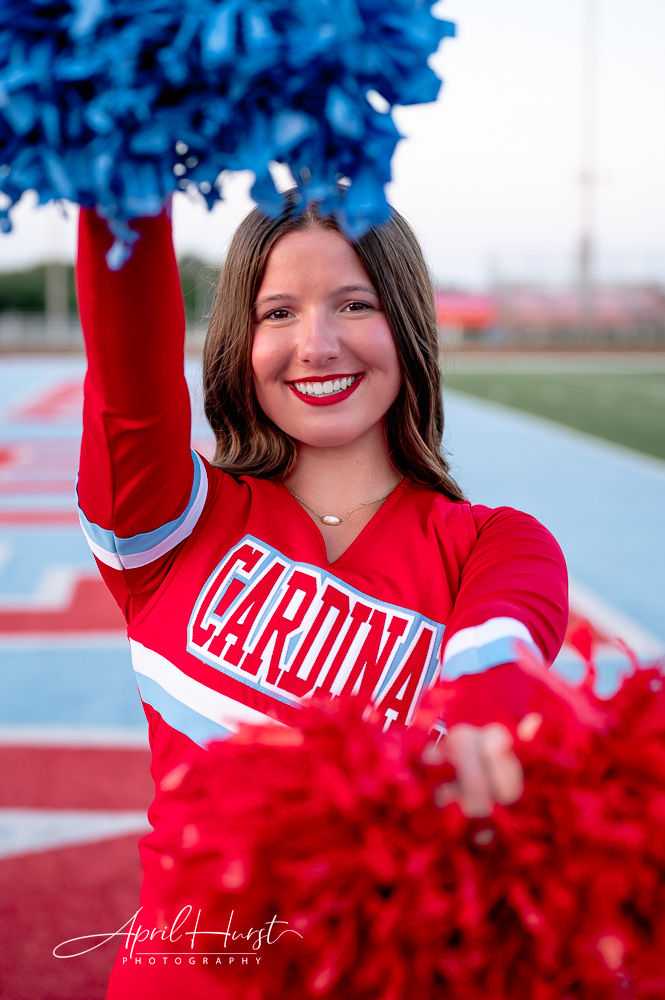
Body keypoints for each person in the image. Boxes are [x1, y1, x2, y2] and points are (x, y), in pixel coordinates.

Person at [75, 191, 568, 997]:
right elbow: (127, 385)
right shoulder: (170, 524)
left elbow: (499, 648)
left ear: (405, 321)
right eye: (278, 312)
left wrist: (486, 720)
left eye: (354, 304)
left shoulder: (495, 544)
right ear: (242, 339)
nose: (317, 343)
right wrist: (121, 191)